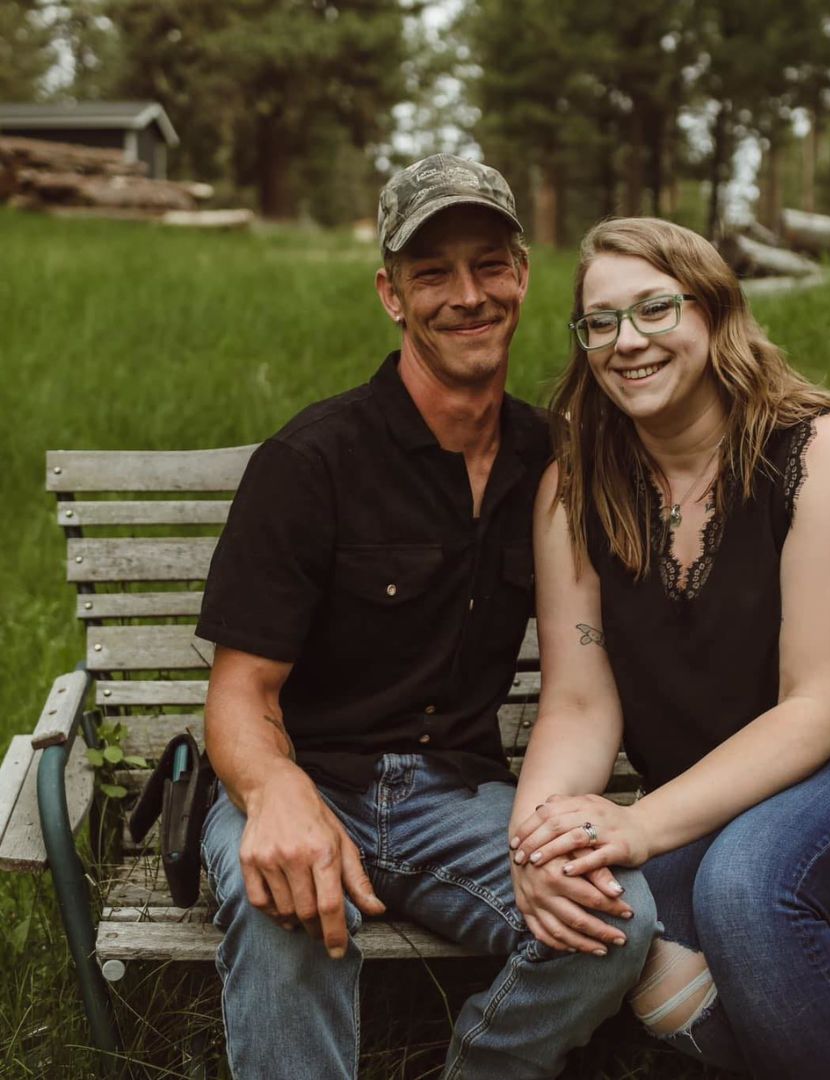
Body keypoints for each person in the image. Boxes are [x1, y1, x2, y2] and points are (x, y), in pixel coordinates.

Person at [195, 157, 656, 1080]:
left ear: (522, 274)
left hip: (461, 795)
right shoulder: (311, 462)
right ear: (391, 295)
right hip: (309, 778)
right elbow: (240, 694)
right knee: (283, 896)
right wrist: (275, 795)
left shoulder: (556, 458)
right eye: (433, 274)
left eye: (489, 265)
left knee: (618, 918)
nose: (468, 296)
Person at [507, 217, 830, 1080]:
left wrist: (639, 822)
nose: (628, 342)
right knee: (616, 922)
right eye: (601, 321)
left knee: (744, 890)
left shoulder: (819, 450)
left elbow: (821, 705)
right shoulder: (575, 486)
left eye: (656, 309)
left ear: (714, 313)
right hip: (737, 782)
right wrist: (538, 844)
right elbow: (579, 703)